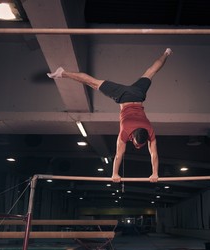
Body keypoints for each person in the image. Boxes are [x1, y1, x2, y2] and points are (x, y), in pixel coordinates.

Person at [47, 48, 173, 182]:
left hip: (138, 94)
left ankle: (166, 53)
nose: (136, 146)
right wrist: (115, 174)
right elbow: (119, 155)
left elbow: (154, 154)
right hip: (123, 96)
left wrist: (155, 173)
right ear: (133, 136)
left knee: (150, 72)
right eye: (136, 144)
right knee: (94, 83)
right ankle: (63, 73)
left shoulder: (149, 130)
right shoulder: (125, 132)